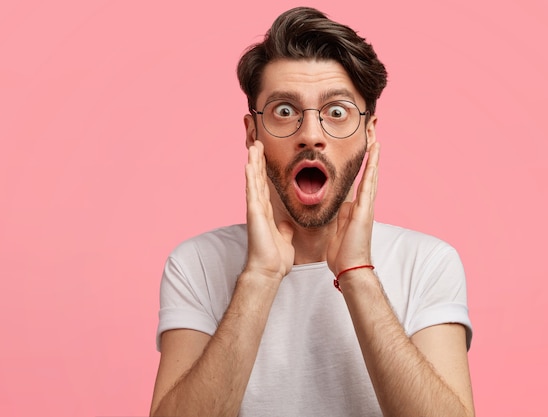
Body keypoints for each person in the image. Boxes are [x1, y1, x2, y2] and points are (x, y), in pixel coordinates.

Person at [150, 7, 474, 417]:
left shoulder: (427, 263)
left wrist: (357, 274)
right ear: (253, 134)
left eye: (336, 112)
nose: (311, 135)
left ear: (368, 133)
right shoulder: (196, 264)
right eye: (284, 111)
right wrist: (260, 277)